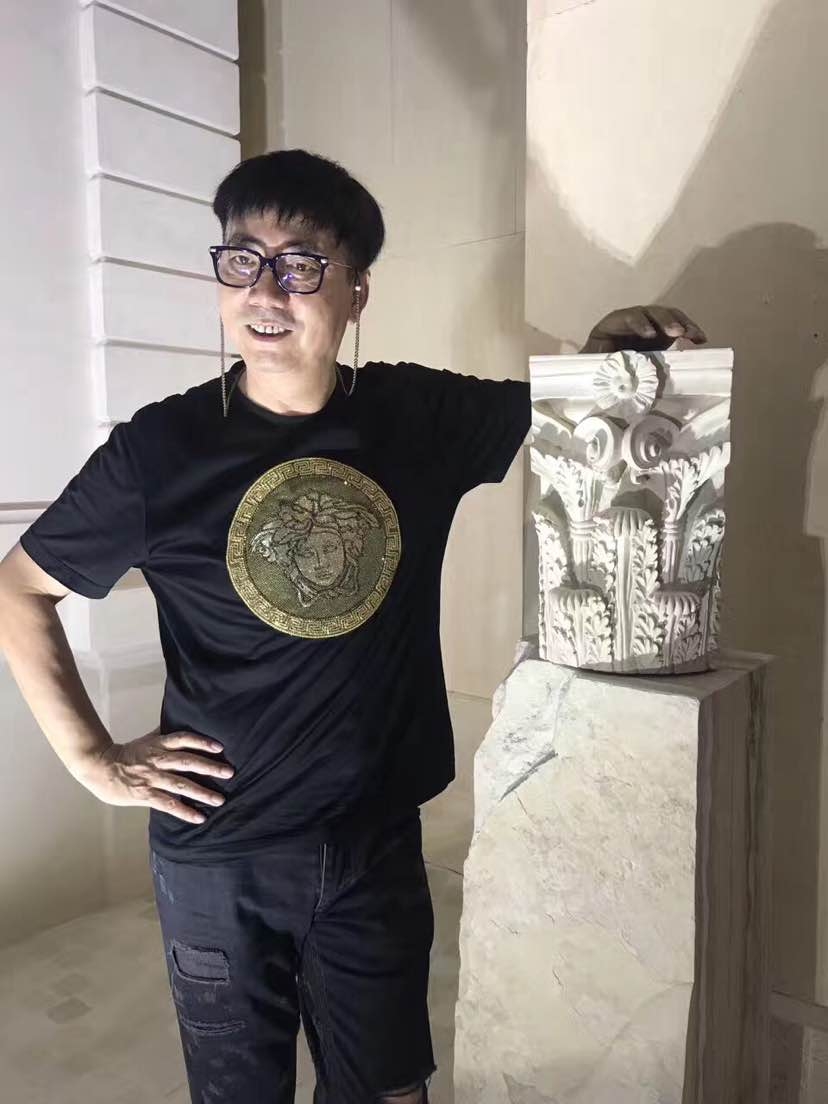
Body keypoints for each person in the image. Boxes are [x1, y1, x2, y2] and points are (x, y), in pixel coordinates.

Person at [0, 149, 707, 1104]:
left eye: (301, 263)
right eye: (242, 260)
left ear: (355, 292)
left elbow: (577, 415)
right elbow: (18, 592)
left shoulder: (414, 415)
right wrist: (96, 760)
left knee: (387, 1092)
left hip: (374, 845)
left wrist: (609, 351)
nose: (266, 290)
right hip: (219, 853)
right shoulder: (159, 451)